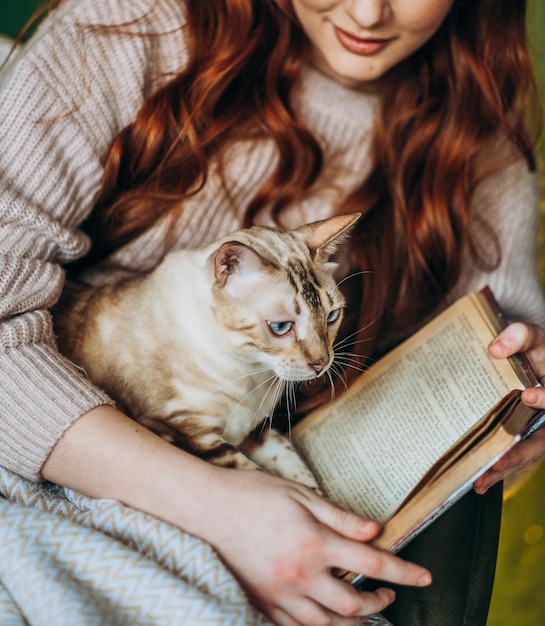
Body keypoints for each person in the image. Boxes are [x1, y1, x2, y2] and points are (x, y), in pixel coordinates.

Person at [0, 0, 544, 624]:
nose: (368, 14)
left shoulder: (481, 140)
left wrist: (526, 409)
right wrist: (213, 508)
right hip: (60, 440)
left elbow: (508, 361)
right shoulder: (127, 25)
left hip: (280, 469)